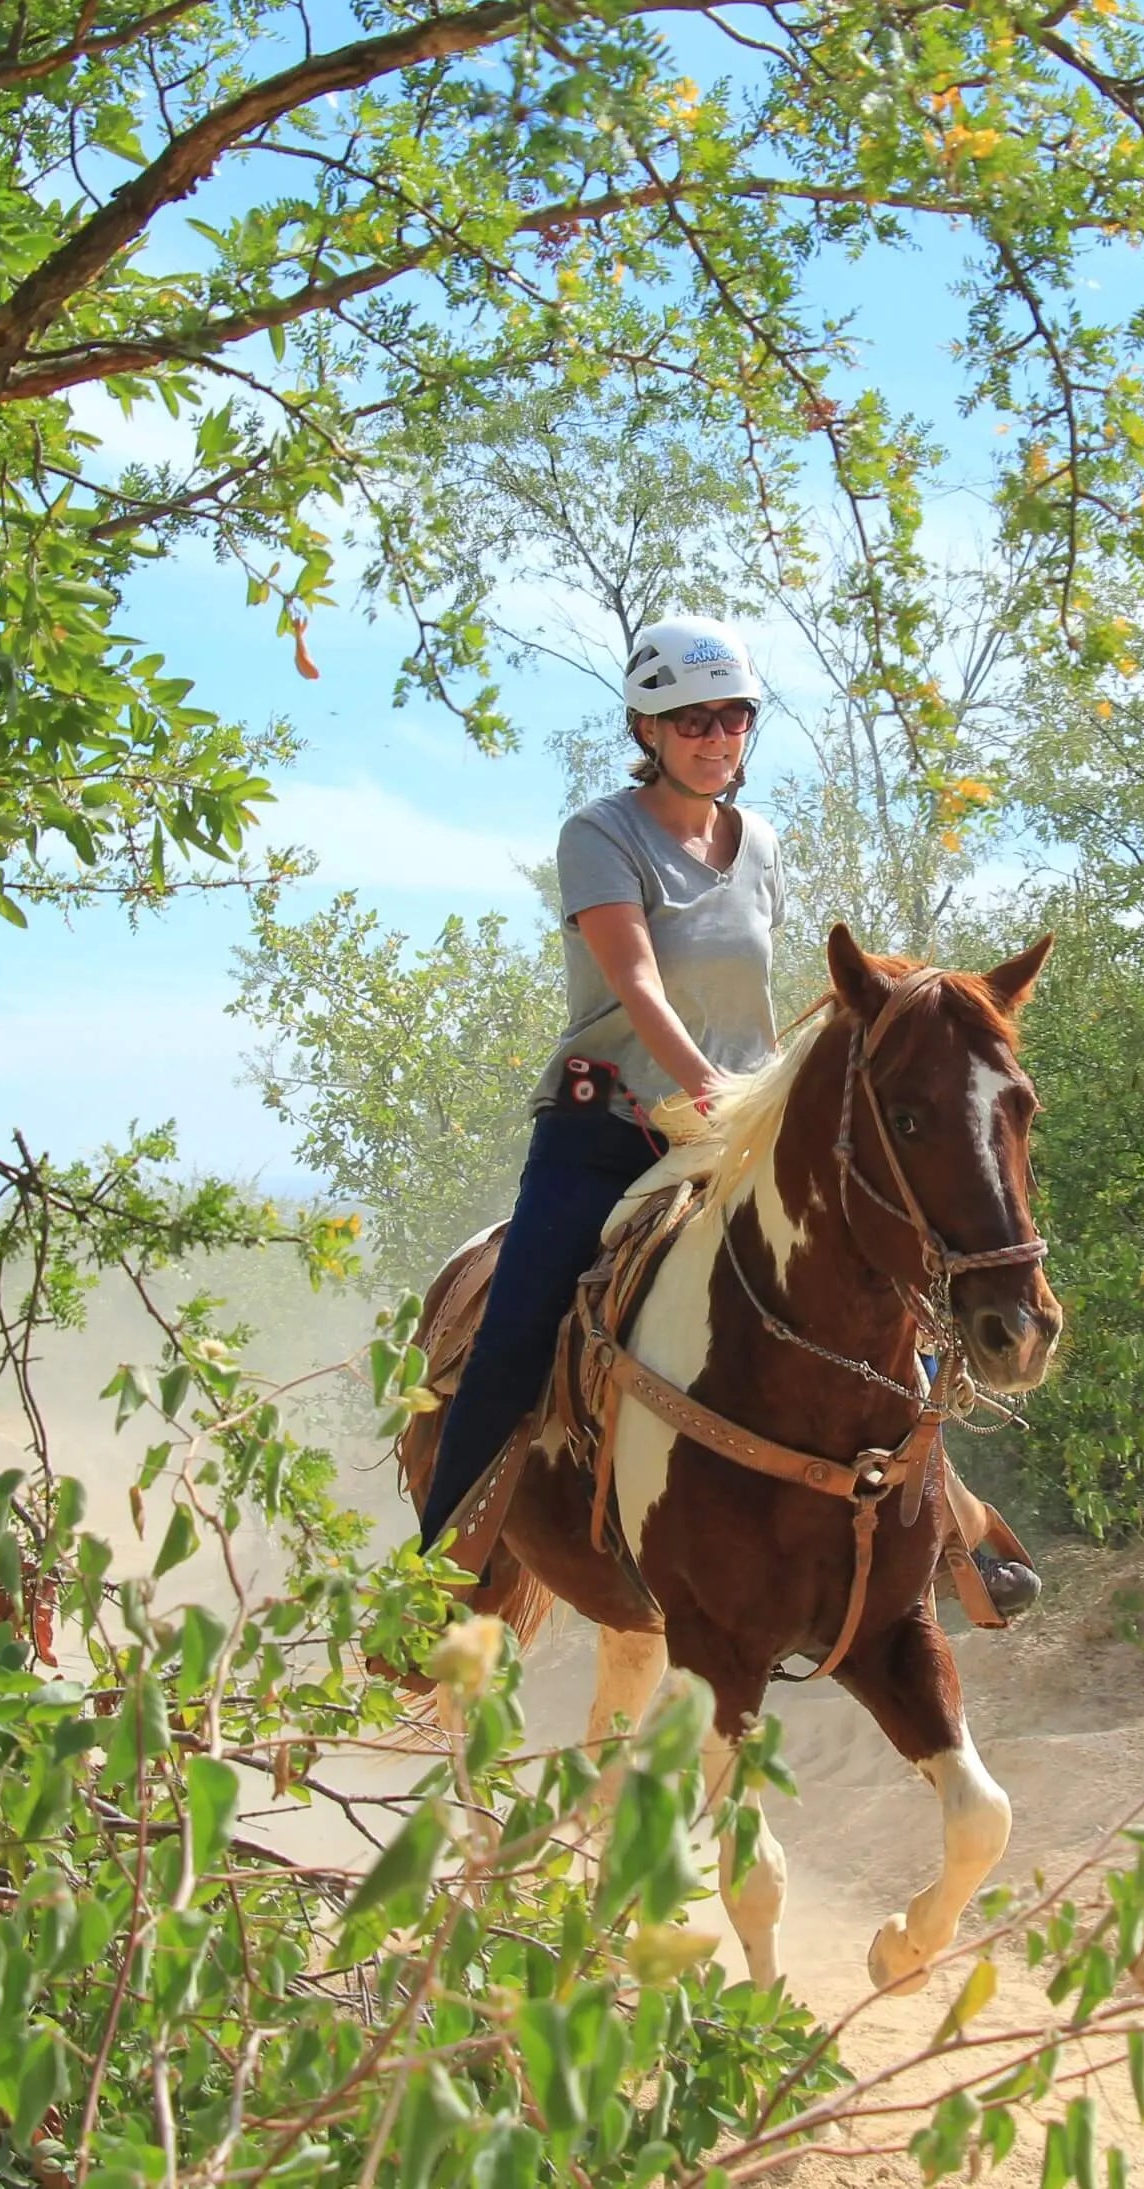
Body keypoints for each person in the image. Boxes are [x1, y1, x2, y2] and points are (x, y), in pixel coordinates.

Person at [417, 615, 1038, 1620]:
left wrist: (750, 1106)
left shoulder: (763, 846)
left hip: (736, 1127)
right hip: (613, 1123)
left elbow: (743, 993)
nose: (715, 736)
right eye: (691, 719)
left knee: (882, 1287)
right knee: (516, 1329)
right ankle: (439, 1573)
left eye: (734, 717)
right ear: (647, 730)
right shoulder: (600, 836)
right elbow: (639, 982)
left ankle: (944, 1530)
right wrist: (707, 1090)